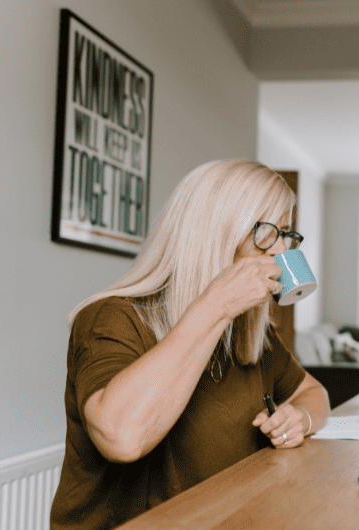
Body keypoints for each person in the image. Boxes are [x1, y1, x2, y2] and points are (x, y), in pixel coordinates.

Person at [50, 159, 331, 530]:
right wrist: (214, 306)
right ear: (214, 233)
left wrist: (300, 418)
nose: (281, 250)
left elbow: (315, 393)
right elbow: (122, 438)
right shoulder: (111, 317)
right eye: (267, 231)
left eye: (286, 234)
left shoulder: (251, 331)